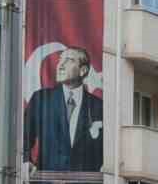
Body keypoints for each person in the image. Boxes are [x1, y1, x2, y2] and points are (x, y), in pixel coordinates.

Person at [23, 47, 104, 175]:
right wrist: (26, 162)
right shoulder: (41, 100)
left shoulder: (99, 107)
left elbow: (107, 150)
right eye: (60, 59)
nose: (60, 65)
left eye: (69, 60)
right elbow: (23, 138)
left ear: (83, 70)